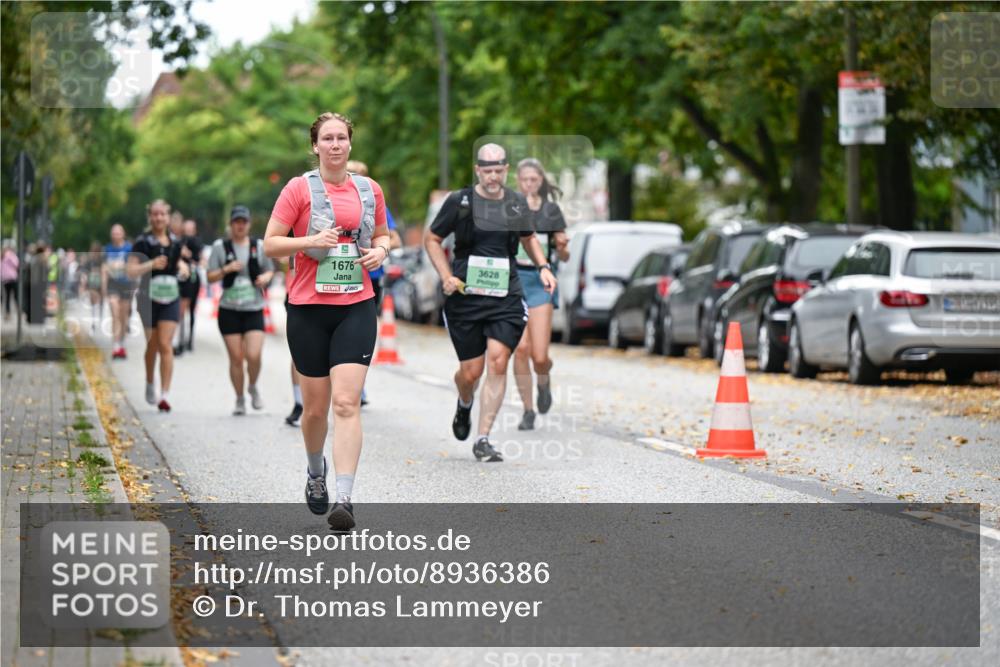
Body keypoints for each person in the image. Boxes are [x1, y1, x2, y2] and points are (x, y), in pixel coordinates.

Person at [264, 111, 390, 530]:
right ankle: (315, 473)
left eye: (342, 138)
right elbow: (270, 244)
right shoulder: (298, 189)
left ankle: (345, 498)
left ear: (350, 144)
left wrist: (381, 252)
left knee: (346, 403)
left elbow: (383, 234)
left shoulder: (369, 190)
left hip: (356, 305)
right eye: (327, 139)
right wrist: (310, 241)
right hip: (308, 308)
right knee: (316, 409)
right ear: (315, 146)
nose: (335, 145)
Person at [425, 143, 556, 462]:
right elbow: (432, 239)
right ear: (477, 170)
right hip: (466, 294)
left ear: (506, 170)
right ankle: (464, 402)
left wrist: (543, 267)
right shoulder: (460, 201)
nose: (494, 175)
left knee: (499, 360)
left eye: (499, 169)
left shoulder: (515, 203)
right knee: (471, 372)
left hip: (505, 294)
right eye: (488, 170)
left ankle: (483, 438)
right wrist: (445, 275)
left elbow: (528, 238)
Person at [512, 158, 570, 430]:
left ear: (541, 182)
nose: (529, 184)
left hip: (540, 281)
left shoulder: (550, 210)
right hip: (514, 279)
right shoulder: (510, 208)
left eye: (534, 180)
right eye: (525, 180)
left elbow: (564, 254)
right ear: (518, 181)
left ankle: (543, 381)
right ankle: (527, 410)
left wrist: (562, 245)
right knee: (520, 349)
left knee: (539, 356)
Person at [207, 206, 275, 415]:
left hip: (254, 308)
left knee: (253, 355)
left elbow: (270, 270)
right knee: (236, 358)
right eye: (236, 221)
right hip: (229, 309)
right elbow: (210, 277)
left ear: (249, 224)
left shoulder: (259, 246)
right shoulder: (221, 247)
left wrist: (266, 277)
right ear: (231, 224)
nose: (240, 225)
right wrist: (227, 269)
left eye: (243, 221)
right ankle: (239, 398)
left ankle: (252, 385)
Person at [346, 159, 403, 406]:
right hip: (338, 278)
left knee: (359, 333)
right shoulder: (332, 201)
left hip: (370, 279)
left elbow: (394, 239)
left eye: (359, 174)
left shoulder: (375, 203)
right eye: (351, 173)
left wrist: (377, 249)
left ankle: (358, 386)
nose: (354, 177)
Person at [128, 200, 190, 412]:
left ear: (168, 216)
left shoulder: (175, 242)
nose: (158, 218)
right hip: (147, 298)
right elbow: (131, 271)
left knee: (165, 344)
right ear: (150, 217)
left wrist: (183, 268)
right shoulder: (142, 242)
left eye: (162, 214)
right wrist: (151, 264)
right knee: (153, 345)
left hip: (171, 297)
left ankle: (165, 395)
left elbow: (178, 262)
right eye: (155, 214)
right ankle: (149, 382)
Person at [104, 224, 135, 359]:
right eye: (114, 232)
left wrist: (122, 266)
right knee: (115, 313)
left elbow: (134, 267)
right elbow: (104, 268)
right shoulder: (107, 249)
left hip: (126, 284)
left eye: (118, 232)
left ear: (123, 234)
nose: (116, 234)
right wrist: (104, 287)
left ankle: (122, 343)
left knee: (123, 317)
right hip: (113, 285)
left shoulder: (129, 248)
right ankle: (115, 345)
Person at [176, 219, 206, 355]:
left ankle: (189, 340)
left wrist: (189, 256)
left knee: (191, 309)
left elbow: (201, 260)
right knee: (181, 310)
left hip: (192, 278)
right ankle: (181, 341)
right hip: (180, 278)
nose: (188, 230)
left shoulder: (197, 242)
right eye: (186, 227)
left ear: (194, 229)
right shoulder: (178, 241)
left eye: (190, 228)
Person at [82, 242, 104, 332]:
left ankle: (99, 319)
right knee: (93, 301)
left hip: (100, 282)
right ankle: (94, 321)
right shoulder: (89, 261)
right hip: (92, 282)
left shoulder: (101, 260)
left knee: (100, 301)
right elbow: (85, 272)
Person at [2, 246, 19, 321]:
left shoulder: (2, 257)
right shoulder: (12, 256)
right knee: (16, 295)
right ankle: (19, 310)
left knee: (8, 297)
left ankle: (8, 313)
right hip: (12, 278)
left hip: (5, 279)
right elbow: (17, 264)